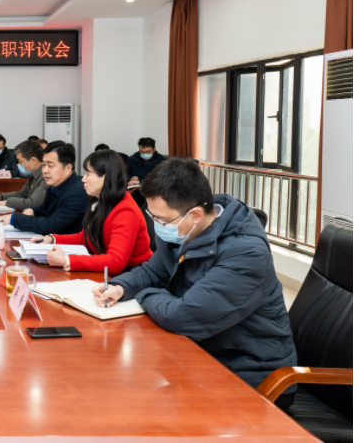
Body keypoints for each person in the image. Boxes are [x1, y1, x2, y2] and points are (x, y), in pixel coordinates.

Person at [93, 158, 297, 408]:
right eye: (152, 216)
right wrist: (120, 286)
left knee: (137, 402)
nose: (156, 226)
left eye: (161, 220)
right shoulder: (184, 229)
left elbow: (182, 316)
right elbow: (152, 271)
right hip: (206, 352)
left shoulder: (245, 253)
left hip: (251, 375)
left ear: (196, 215)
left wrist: (144, 294)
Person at [35, 150, 151, 274]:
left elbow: (115, 261)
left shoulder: (125, 211)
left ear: (105, 177)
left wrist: (66, 260)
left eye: (88, 174)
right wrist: (52, 239)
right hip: (112, 273)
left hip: (134, 275)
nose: (83, 179)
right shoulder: (101, 200)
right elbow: (87, 237)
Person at [0, 142, 89, 235]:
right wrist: (33, 211)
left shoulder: (78, 192)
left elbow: (51, 225)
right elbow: (45, 209)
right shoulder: (56, 184)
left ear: (68, 168)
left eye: (50, 166)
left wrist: (13, 219)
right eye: (43, 165)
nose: (45, 170)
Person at [0, 140, 48, 210]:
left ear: (33, 161)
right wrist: (0, 197)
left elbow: (32, 203)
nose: (18, 165)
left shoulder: (46, 177)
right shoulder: (33, 175)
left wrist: (7, 202)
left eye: (21, 162)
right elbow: (21, 195)